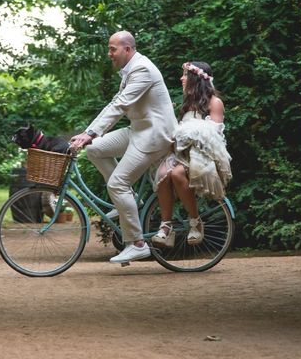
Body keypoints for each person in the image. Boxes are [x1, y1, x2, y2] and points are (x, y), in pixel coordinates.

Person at [70, 31, 177, 264]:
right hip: (139, 129)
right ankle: (129, 201)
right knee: (95, 149)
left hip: (154, 135)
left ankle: (137, 244)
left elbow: (120, 105)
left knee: (117, 183)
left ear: (127, 49)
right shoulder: (130, 69)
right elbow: (114, 103)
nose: (109, 54)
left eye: (112, 49)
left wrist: (90, 133)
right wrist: (89, 134)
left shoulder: (142, 70)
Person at [151, 61, 232, 247]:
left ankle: (195, 222)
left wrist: (186, 134)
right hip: (182, 153)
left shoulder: (214, 102)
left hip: (201, 155)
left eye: (185, 74)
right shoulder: (188, 104)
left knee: (177, 173)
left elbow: (213, 134)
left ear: (196, 78)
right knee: (163, 176)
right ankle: (166, 227)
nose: (182, 78)